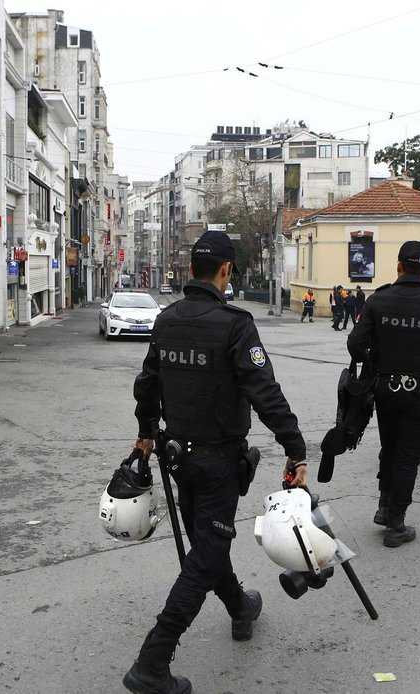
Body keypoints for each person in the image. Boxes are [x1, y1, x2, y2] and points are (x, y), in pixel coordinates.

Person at [125, 230, 307, 694]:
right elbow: (263, 391)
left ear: (191, 270)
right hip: (216, 463)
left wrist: (147, 433)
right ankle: (152, 661)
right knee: (206, 554)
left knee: (208, 542)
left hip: (177, 458)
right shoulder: (235, 323)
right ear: (226, 271)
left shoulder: (166, 319)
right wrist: (295, 447)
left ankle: (241, 608)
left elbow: (147, 385)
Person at [347, 241, 420, 548]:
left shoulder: (378, 300)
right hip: (419, 393)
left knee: (389, 447)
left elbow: (355, 345)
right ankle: (396, 522)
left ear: (398, 266)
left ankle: (384, 506)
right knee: (408, 456)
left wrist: (376, 355)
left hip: (384, 390)